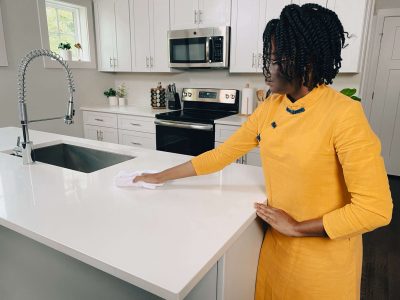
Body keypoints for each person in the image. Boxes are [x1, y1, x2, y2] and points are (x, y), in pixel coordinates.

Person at [134, 3, 393, 299]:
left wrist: (296, 227)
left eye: (275, 59)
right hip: (275, 252)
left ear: (304, 59)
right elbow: (222, 155)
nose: (266, 69)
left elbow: (375, 209)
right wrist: (161, 176)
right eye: (267, 58)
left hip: (323, 266)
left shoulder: (344, 114)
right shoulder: (271, 106)